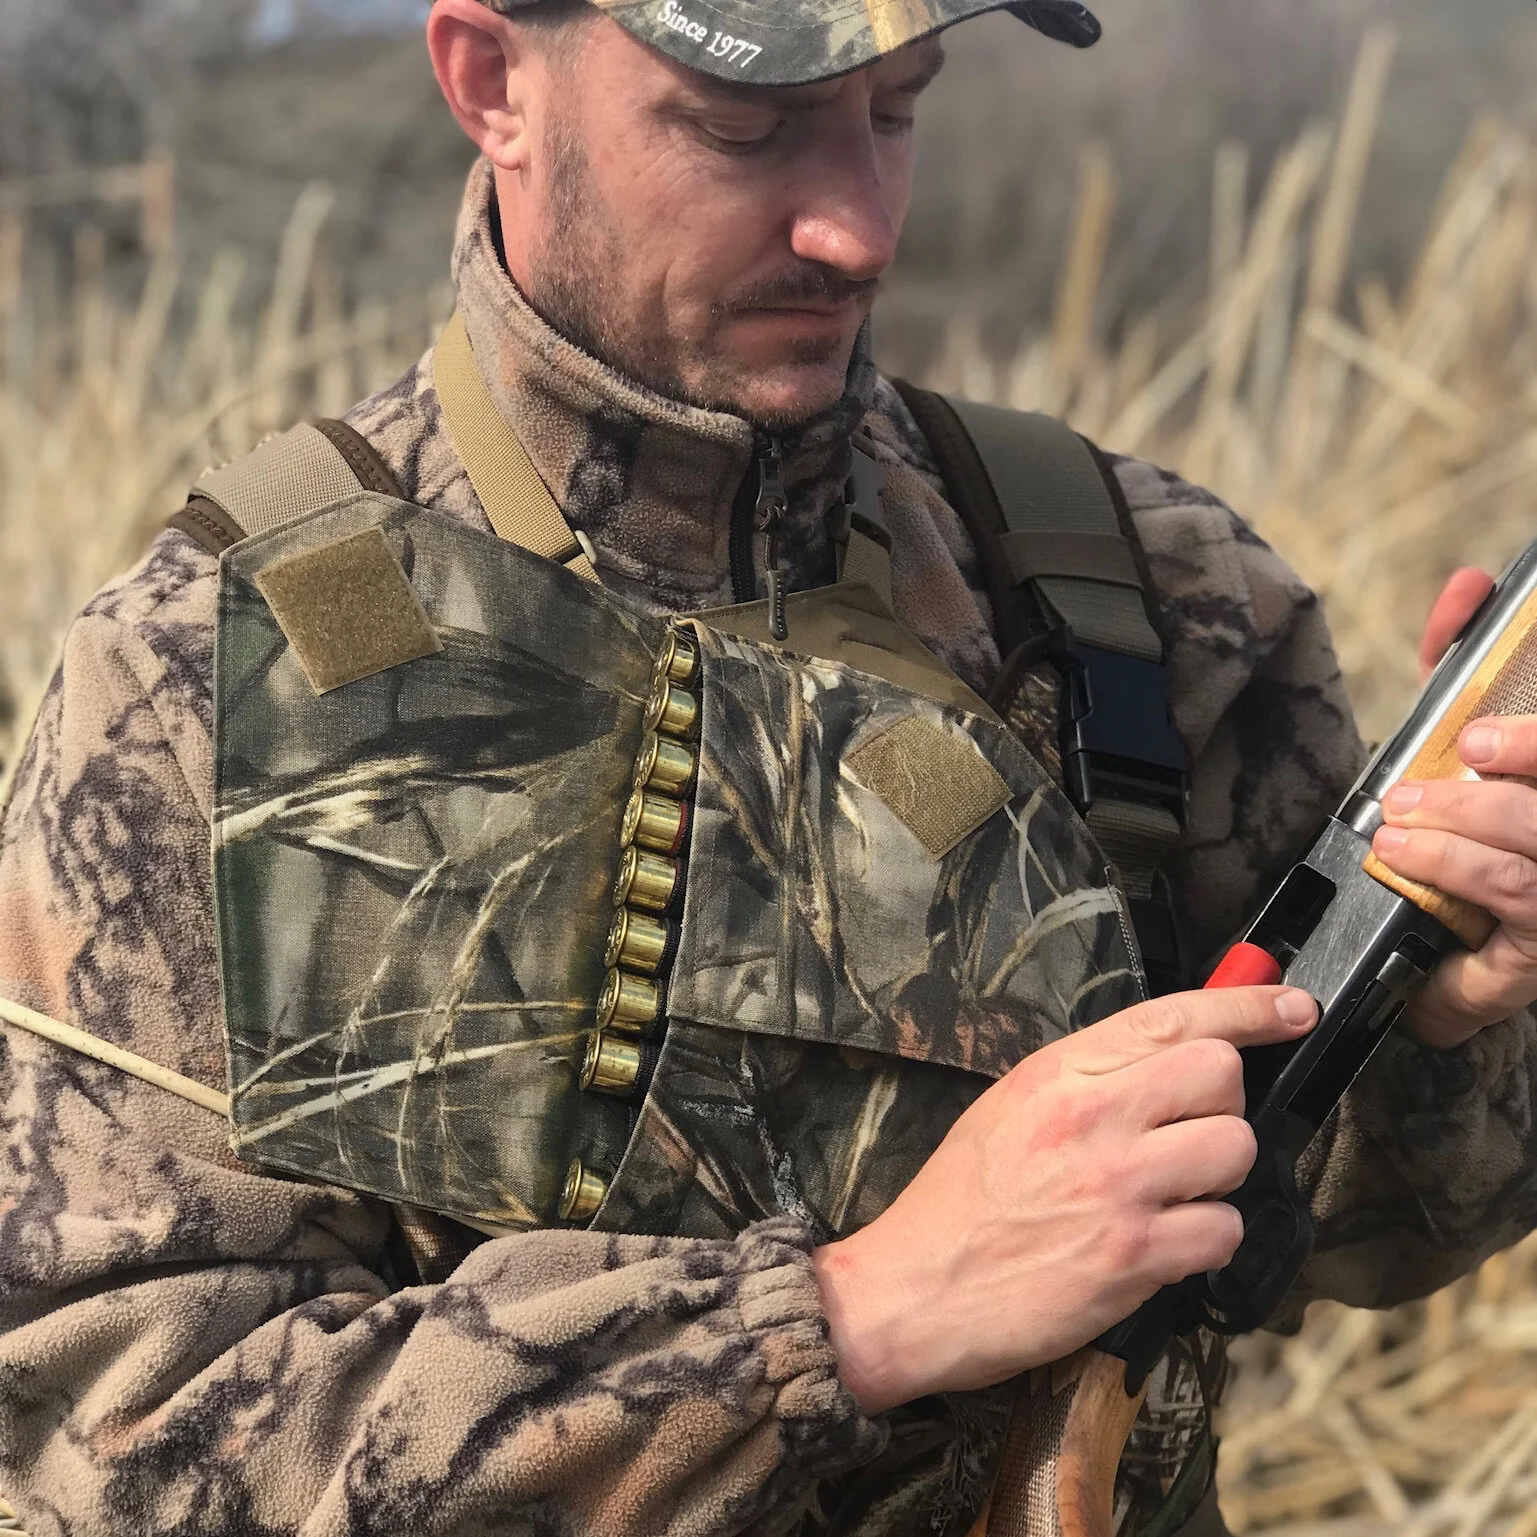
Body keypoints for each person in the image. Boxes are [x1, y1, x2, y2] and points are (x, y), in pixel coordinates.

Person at [3, 2, 1537, 1533]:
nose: (855, 228)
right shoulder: (210, 680)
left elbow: (1365, 1231)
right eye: (743, 128)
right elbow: (111, 1430)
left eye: (900, 110)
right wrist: (852, 1321)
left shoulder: (1138, 592)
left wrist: (1448, 1013)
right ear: (491, 81)